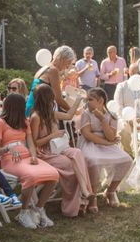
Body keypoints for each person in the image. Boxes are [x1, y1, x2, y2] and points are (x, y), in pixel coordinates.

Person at [0, 93, 59, 229]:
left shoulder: (24, 122)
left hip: (26, 157)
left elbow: (31, 143)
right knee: (31, 176)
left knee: (54, 174)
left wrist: (34, 156)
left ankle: (39, 209)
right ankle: (23, 212)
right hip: (10, 160)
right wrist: (8, 148)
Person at [30, 84, 93, 216]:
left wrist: (78, 100)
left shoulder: (52, 114)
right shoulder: (36, 117)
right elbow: (35, 142)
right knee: (69, 164)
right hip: (45, 152)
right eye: (51, 98)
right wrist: (52, 135)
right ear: (45, 99)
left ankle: (84, 193)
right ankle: (73, 206)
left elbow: (69, 115)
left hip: (59, 148)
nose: (53, 101)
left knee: (78, 153)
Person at [77, 88, 132, 211]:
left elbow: (111, 136)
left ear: (100, 101)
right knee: (94, 161)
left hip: (106, 143)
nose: (87, 102)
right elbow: (87, 134)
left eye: (90, 100)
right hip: (90, 144)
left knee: (127, 160)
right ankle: (93, 196)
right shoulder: (86, 113)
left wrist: (103, 120)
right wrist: (106, 143)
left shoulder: (111, 116)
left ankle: (110, 191)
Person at [113, 62, 140, 156]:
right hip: (127, 120)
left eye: (139, 72)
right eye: (134, 73)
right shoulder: (122, 86)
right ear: (129, 73)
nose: (137, 75)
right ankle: (130, 156)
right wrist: (130, 119)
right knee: (123, 131)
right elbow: (118, 106)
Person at [26, 45, 76, 116]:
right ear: (62, 58)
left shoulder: (44, 68)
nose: (68, 66)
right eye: (68, 62)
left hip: (30, 108)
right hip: (37, 111)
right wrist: (73, 111)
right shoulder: (53, 71)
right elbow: (58, 99)